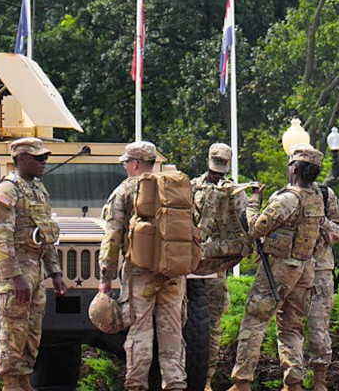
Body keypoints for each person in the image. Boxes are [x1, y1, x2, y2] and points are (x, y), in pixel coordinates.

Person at [229, 144, 338, 391]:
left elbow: (256, 227)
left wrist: (254, 200)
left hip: (279, 269)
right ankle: (293, 382)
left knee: (255, 321)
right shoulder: (316, 198)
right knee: (291, 327)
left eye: (290, 165)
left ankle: (242, 381)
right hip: (304, 269)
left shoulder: (288, 199)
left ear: (296, 169)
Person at [100, 141, 187, 391]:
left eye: (127, 162)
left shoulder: (125, 191)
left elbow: (113, 235)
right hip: (173, 272)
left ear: (135, 164)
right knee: (172, 332)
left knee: (140, 331)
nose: (126, 166)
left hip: (140, 273)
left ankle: (136, 385)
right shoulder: (171, 188)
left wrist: (106, 275)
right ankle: (175, 385)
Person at [0, 137, 67, 391]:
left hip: (36, 268)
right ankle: (11, 382)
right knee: (14, 328)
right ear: (21, 159)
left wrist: (55, 272)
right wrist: (14, 276)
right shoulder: (7, 191)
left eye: (45, 157)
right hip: (18, 269)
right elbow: (1, 237)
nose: (44, 162)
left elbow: (45, 235)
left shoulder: (38, 189)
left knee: (32, 330)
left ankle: (23, 380)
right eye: (38, 158)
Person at [190, 142, 252, 391]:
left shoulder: (236, 192)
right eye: (215, 166)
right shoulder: (193, 186)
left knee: (211, 326)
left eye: (222, 168)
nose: (217, 173)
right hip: (188, 266)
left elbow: (246, 227)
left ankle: (205, 380)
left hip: (215, 267)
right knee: (184, 323)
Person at [305, 175, 339, 391]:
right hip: (291, 270)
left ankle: (319, 382)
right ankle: (291, 381)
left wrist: (319, 219)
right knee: (288, 328)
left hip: (320, 272)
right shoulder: (284, 196)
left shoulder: (325, 194)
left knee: (318, 328)